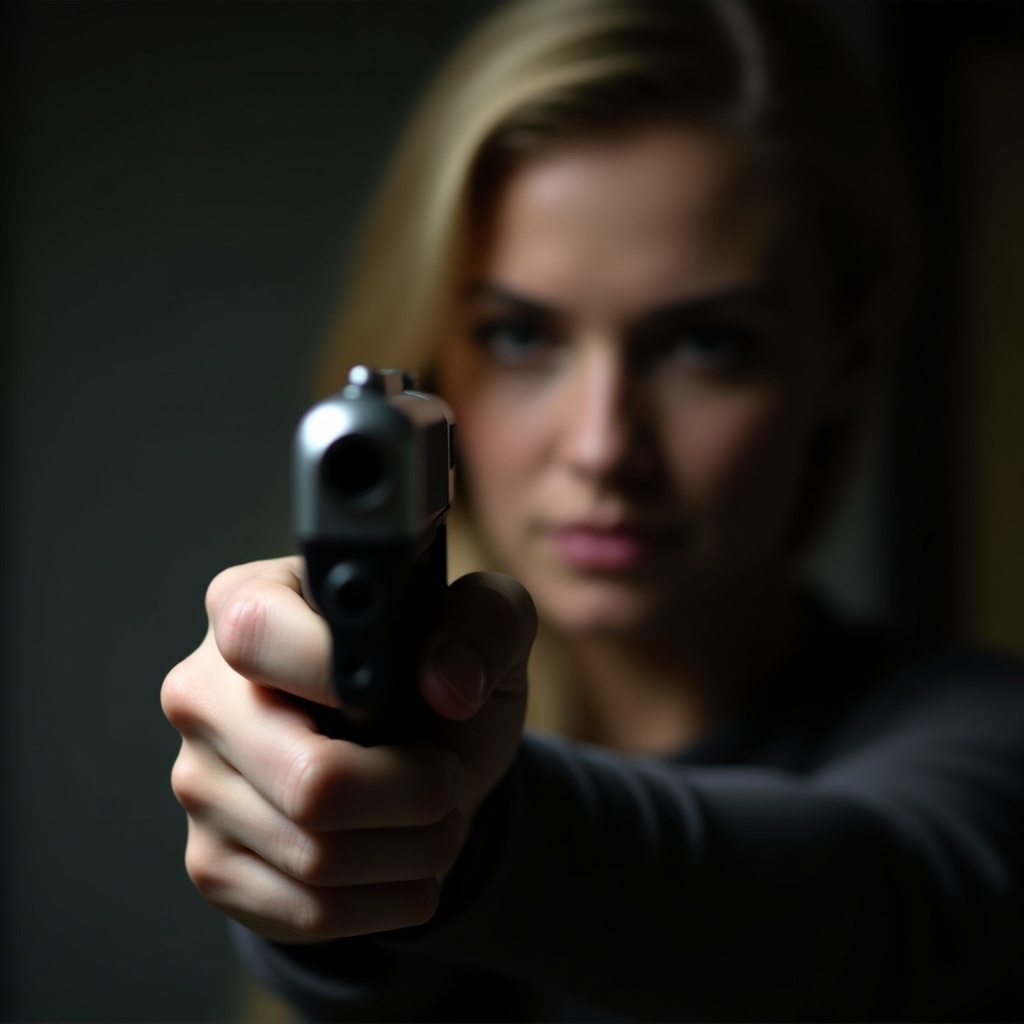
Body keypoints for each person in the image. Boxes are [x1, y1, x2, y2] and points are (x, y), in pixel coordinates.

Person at [161, 0, 1024, 1020]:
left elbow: (874, 913)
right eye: (521, 337)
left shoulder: (982, 737)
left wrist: (449, 828)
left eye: (706, 343)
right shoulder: (356, 726)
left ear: (851, 350)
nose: (603, 445)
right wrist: (330, 839)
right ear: (436, 356)